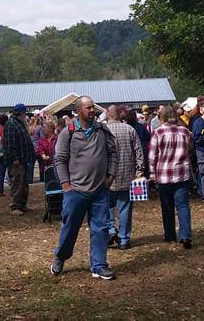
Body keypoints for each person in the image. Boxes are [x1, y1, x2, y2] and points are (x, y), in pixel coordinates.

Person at [50, 96, 118, 280]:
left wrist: (111, 175)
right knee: (70, 228)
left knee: (101, 228)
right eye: (88, 108)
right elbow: (60, 159)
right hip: (76, 191)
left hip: (99, 191)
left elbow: (113, 153)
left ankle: (99, 265)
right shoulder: (68, 132)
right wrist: (66, 185)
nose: (92, 111)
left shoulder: (102, 130)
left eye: (93, 107)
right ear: (79, 111)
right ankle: (60, 257)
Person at [149, 106, 194, 248]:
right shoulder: (185, 132)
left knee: (167, 206)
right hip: (182, 173)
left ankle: (170, 236)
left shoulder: (158, 132)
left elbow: (152, 155)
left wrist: (151, 173)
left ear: (162, 117)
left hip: (164, 174)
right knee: (183, 206)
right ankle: (185, 235)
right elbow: (190, 149)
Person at [105, 105, 144, 250]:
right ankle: (124, 239)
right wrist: (140, 170)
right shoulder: (129, 129)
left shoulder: (103, 131)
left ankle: (110, 230)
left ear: (108, 115)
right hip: (127, 175)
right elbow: (139, 151)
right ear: (119, 115)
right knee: (125, 208)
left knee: (106, 206)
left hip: (107, 176)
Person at [3, 104, 34, 214]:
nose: (26, 115)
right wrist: (14, 158)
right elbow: (9, 144)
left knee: (23, 183)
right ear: (21, 113)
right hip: (16, 160)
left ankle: (22, 204)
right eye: (25, 112)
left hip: (23, 159)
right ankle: (15, 206)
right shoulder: (11, 124)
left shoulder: (20, 123)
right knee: (17, 182)